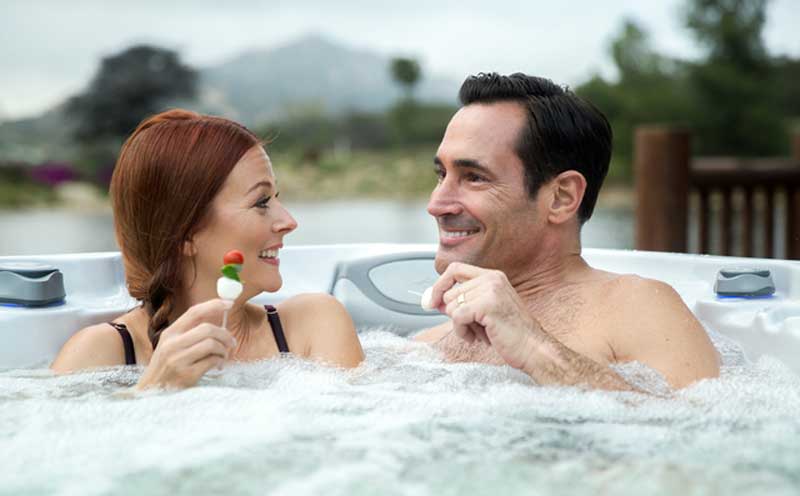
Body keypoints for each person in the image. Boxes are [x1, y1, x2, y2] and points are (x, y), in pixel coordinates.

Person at [415, 73, 719, 390]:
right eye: (442, 174)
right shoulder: (432, 344)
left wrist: (533, 348)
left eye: (474, 177)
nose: (436, 204)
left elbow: (705, 430)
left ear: (562, 197)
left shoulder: (637, 307)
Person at [52, 109, 363, 388]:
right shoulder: (99, 352)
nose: (289, 221)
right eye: (261, 202)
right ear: (185, 233)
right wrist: (152, 390)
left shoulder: (312, 325)